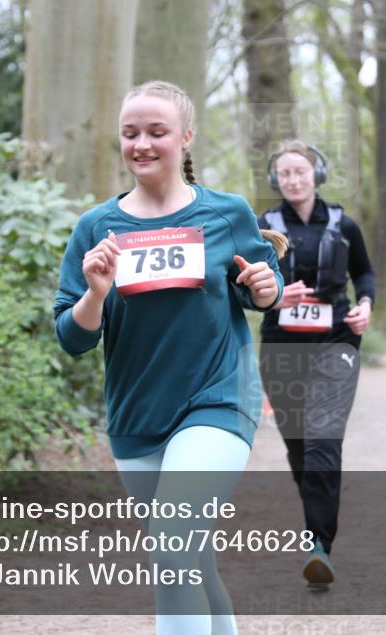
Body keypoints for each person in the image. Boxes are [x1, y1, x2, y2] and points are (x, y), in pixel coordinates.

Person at [54, 80, 286, 635]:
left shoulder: (226, 213)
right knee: (189, 560)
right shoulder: (96, 227)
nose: (142, 144)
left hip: (217, 398)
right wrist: (95, 293)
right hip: (137, 412)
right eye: (130, 133)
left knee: (171, 545)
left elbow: (265, 291)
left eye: (156, 132)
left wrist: (263, 285)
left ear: (185, 137)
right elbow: (73, 336)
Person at [257, 140, 376, 590]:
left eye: (300, 171)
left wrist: (366, 304)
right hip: (282, 346)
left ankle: (318, 545)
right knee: (298, 444)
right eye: (284, 173)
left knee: (323, 436)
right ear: (275, 180)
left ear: (316, 174)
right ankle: (316, 519)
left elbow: (364, 273)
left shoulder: (345, 224)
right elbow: (241, 278)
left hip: (337, 341)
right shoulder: (261, 226)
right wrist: (270, 295)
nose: (292, 179)